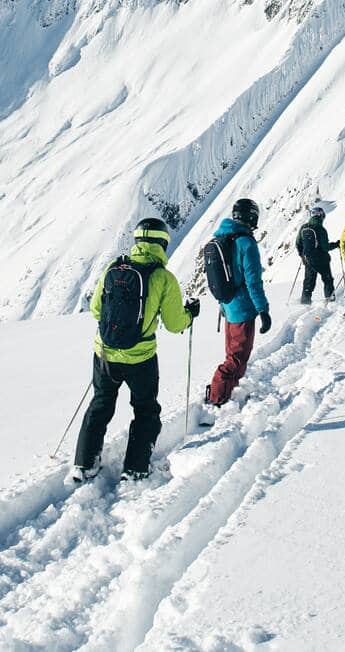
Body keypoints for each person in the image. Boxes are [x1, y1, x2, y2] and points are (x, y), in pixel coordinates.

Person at [72, 217, 200, 482]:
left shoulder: (114, 267)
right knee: (145, 410)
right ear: (162, 243)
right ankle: (135, 468)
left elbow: (96, 308)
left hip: (104, 353)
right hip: (140, 357)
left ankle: (84, 465)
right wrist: (190, 314)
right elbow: (175, 324)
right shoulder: (163, 278)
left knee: (100, 404)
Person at [205, 197, 269, 409]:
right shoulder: (245, 243)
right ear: (251, 216)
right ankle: (216, 397)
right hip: (242, 309)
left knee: (232, 355)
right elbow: (253, 280)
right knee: (237, 358)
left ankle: (226, 392)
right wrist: (263, 309)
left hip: (228, 307)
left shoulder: (223, 238)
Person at [295, 203, 339, 304]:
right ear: (321, 216)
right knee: (327, 279)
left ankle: (305, 301)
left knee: (309, 281)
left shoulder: (303, 228)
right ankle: (330, 299)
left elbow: (298, 243)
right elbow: (325, 247)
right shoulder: (321, 229)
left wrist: (302, 255)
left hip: (307, 259)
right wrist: (336, 245)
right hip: (321, 259)